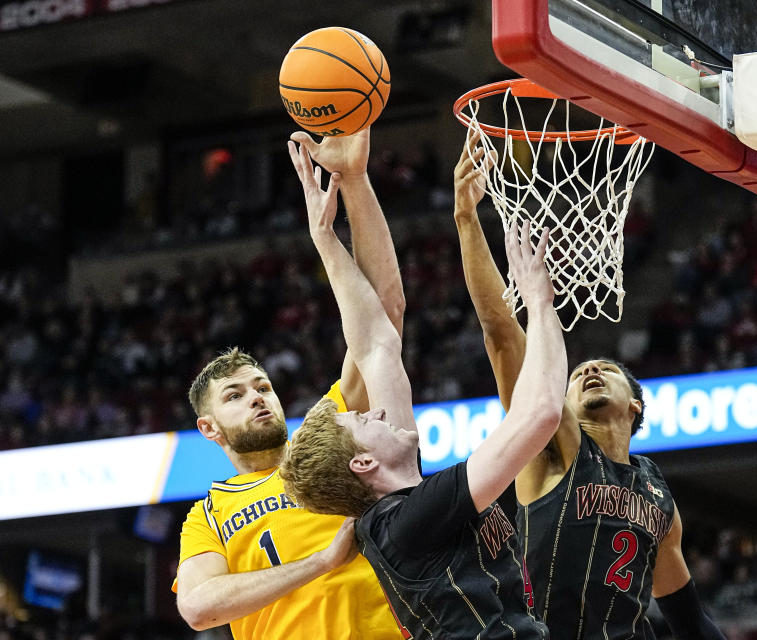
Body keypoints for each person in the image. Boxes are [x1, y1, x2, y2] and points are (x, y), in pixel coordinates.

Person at [280, 137, 567, 639]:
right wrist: (541, 305)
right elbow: (539, 412)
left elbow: (376, 347)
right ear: (364, 463)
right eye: (364, 420)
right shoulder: (410, 519)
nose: (376, 412)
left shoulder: (397, 513)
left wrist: (326, 234)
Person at [452, 134, 726, 640]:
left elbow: (688, 616)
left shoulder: (658, 495)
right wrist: (468, 222)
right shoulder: (553, 445)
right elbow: (501, 334)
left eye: (605, 368)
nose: (588, 371)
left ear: (635, 405)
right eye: (578, 373)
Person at [173, 128, 404, 639]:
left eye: (261, 387)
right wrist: (321, 562)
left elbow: (381, 321)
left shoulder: (326, 435)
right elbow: (199, 608)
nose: (257, 397)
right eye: (235, 396)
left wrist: (356, 182)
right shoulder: (208, 513)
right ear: (208, 428)